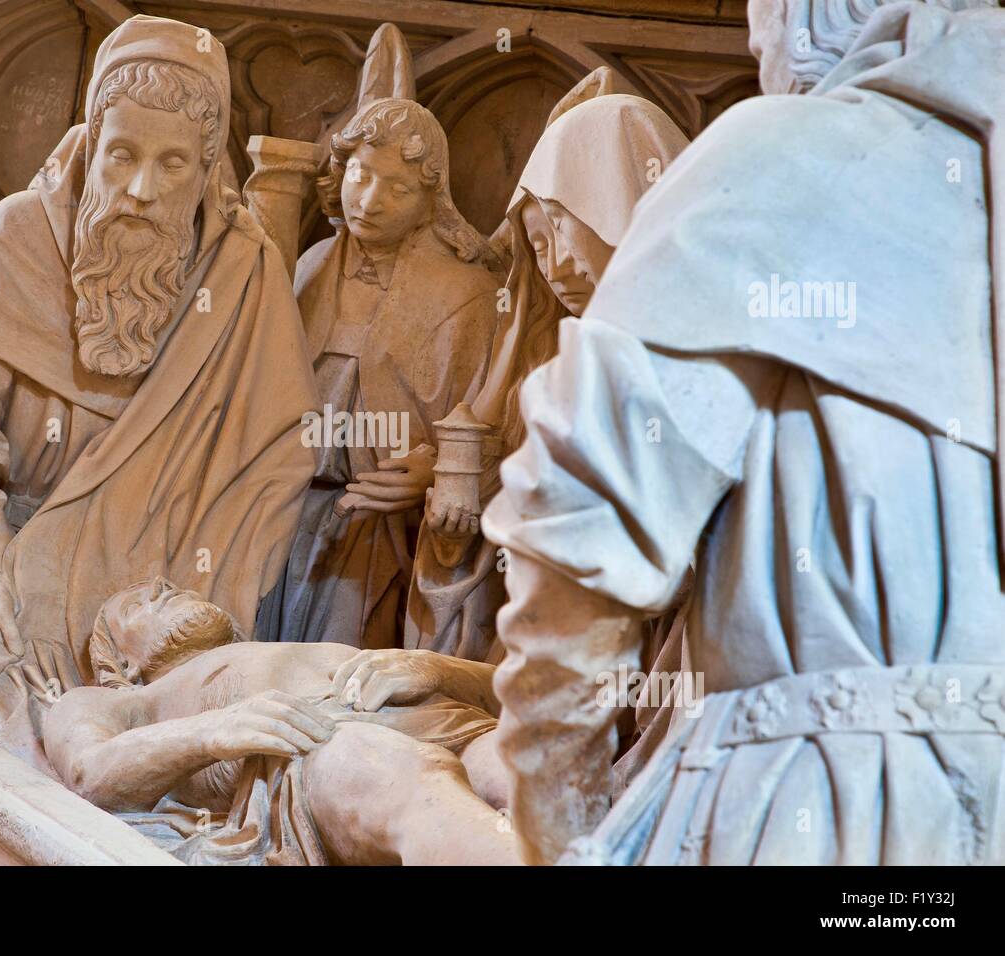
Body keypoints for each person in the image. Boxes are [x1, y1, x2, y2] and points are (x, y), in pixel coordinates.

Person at [484, 0, 1005, 865]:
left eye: (760, 21)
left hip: (820, 809)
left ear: (809, 21)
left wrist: (562, 827)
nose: (757, 47)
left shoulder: (777, 160)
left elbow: (578, 539)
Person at [0, 14, 319, 777]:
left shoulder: (244, 276)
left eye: (173, 164)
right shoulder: (12, 240)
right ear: (91, 137)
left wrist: (189, 618)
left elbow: (276, 459)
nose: (142, 189)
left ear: (209, 167)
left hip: (150, 627)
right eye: (123, 156)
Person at [405, 85, 689, 663]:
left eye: (564, 223)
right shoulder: (577, 359)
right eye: (537, 241)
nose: (556, 264)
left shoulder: (699, 353)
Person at [255, 98, 502, 650]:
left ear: (430, 201)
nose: (370, 201)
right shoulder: (309, 264)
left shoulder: (466, 295)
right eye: (361, 175)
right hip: (281, 515)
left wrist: (436, 472)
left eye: (398, 188)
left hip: (384, 537)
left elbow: (490, 429)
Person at [44, 578, 514, 865]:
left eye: (166, 587)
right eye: (137, 604)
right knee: (399, 777)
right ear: (121, 668)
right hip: (317, 744)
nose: (164, 590)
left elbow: (524, 693)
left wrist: (437, 668)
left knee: (540, 765)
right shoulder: (124, 701)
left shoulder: (282, 644)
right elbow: (91, 773)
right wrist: (213, 731)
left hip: (449, 718)